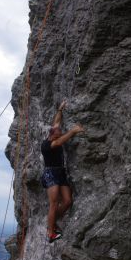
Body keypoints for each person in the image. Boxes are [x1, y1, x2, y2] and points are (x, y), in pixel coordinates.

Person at [41, 100, 84, 243]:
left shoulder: (54, 132)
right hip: (51, 174)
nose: (60, 134)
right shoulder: (48, 145)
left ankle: (51, 223)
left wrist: (60, 109)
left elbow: (57, 122)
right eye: (58, 133)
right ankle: (51, 232)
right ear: (53, 135)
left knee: (67, 201)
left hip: (60, 172)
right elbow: (59, 143)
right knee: (53, 203)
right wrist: (73, 131)